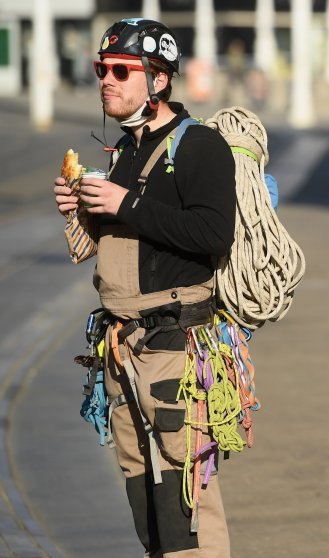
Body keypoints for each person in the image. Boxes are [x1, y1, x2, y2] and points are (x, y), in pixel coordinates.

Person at [53, 18, 236, 557]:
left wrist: (123, 204)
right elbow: (124, 243)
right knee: (143, 493)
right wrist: (81, 211)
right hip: (122, 347)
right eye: (100, 70)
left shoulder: (199, 146)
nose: (105, 80)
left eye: (119, 71)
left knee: (187, 497)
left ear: (158, 79)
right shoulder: (124, 152)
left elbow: (212, 232)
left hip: (174, 348)